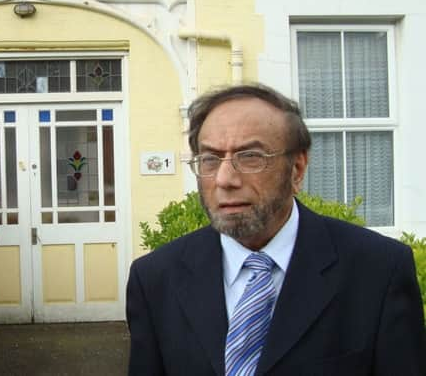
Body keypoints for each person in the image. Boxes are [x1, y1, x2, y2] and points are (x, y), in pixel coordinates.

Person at [126, 84, 425, 376]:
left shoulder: (379, 270)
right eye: (210, 159)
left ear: (297, 168)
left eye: (250, 156)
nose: (224, 179)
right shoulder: (155, 279)